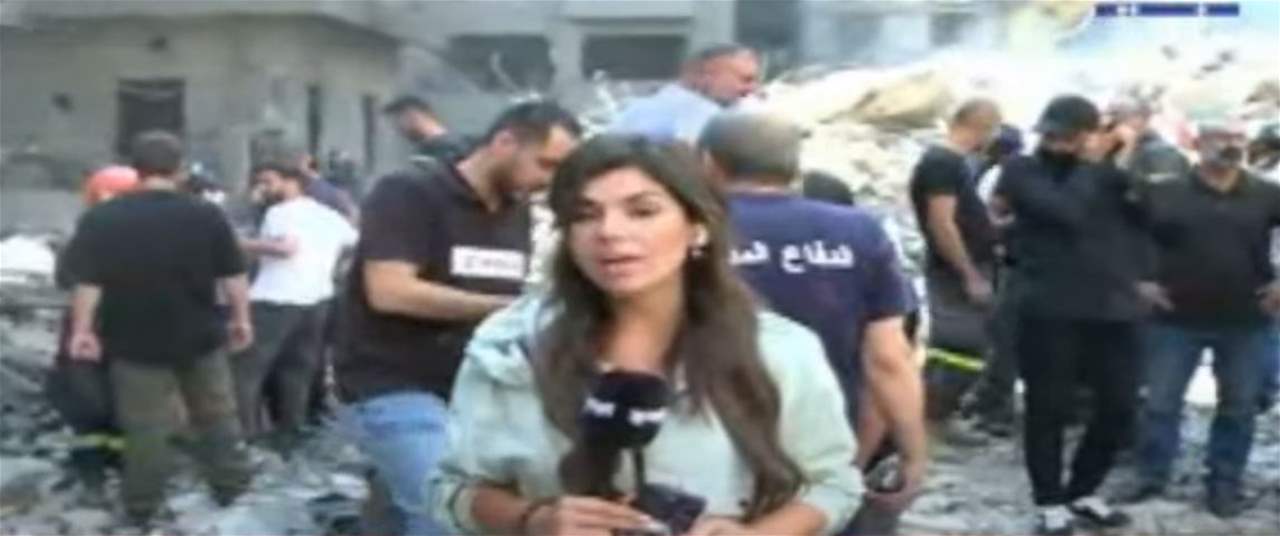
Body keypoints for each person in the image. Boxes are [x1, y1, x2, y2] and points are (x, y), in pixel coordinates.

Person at [430, 134, 860, 536]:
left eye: (642, 211)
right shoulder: (512, 347)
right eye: (585, 215)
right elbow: (453, 489)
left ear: (697, 227)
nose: (610, 232)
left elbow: (832, 485)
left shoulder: (779, 351)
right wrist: (533, 519)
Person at [336, 101, 581, 535]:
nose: (549, 181)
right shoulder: (409, 192)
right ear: (505, 142)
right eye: (546, 164)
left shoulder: (515, 211)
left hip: (473, 391)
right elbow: (389, 291)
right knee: (444, 517)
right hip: (396, 383)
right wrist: (511, 309)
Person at [701, 113, 927, 535]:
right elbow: (888, 358)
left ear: (709, 163)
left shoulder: (689, 230)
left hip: (707, 446)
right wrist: (912, 452)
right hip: (822, 448)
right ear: (794, 165)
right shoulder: (859, 232)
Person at [63, 131, 254, 525]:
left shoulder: (103, 218)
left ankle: (142, 509)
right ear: (180, 168)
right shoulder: (205, 214)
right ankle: (233, 491)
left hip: (133, 340)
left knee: (145, 428)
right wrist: (241, 319)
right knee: (217, 416)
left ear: (135, 169)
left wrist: (83, 330)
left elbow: (89, 282)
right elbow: (233, 274)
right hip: (200, 336)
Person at [992, 96, 1147, 535]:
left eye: (1067, 136)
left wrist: (1126, 160)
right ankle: (1048, 500)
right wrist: (1092, 164)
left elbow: (1149, 214)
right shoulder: (1022, 170)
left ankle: (1084, 489)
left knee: (1119, 403)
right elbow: (1067, 211)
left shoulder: (1106, 172)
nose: (1056, 142)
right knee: (1048, 407)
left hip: (1112, 307)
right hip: (1049, 307)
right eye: (1051, 134)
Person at [1123, 117, 1280, 517]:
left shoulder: (1267, 194)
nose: (1230, 145)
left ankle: (1224, 484)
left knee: (1239, 407)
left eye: (1237, 137)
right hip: (1174, 317)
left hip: (1246, 319)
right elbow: (1123, 236)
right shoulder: (1164, 193)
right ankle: (1151, 477)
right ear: (1198, 142)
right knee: (1160, 403)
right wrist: (1138, 281)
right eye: (1221, 138)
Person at [233, 162, 357, 444]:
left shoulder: (280, 213)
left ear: (291, 181)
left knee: (248, 371)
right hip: (316, 299)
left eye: (268, 181)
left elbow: (286, 248)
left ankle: (246, 437)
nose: (262, 189)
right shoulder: (328, 215)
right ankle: (292, 433)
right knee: (298, 370)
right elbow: (355, 241)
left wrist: (240, 243)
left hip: (274, 299)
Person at [46, 165, 140, 491]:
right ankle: (120, 466)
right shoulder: (154, 236)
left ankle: (92, 473)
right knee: (122, 397)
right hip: (129, 327)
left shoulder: (85, 236)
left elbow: (66, 279)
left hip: (88, 326)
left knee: (86, 398)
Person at [908, 99, 1002, 424]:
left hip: (962, 268)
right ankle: (927, 421)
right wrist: (969, 274)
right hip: (955, 273)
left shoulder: (951, 163)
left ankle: (931, 419)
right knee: (958, 351)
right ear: (983, 126)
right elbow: (942, 222)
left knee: (961, 350)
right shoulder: (943, 163)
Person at [610, 43, 760, 144]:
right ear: (706, 76)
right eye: (745, 80)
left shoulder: (636, 109)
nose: (753, 88)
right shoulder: (701, 113)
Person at [1099, 98, 1190, 185]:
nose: (1117, 127)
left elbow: (1123, 180)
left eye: (1122, 119)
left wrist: (1128, 146)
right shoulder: (1114, 145)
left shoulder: (1156, 150)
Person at [383, 94, 470, 162]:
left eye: (398, 122)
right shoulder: (464, 144)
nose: (399, 130)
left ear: (412, 116)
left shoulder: (450, 150)